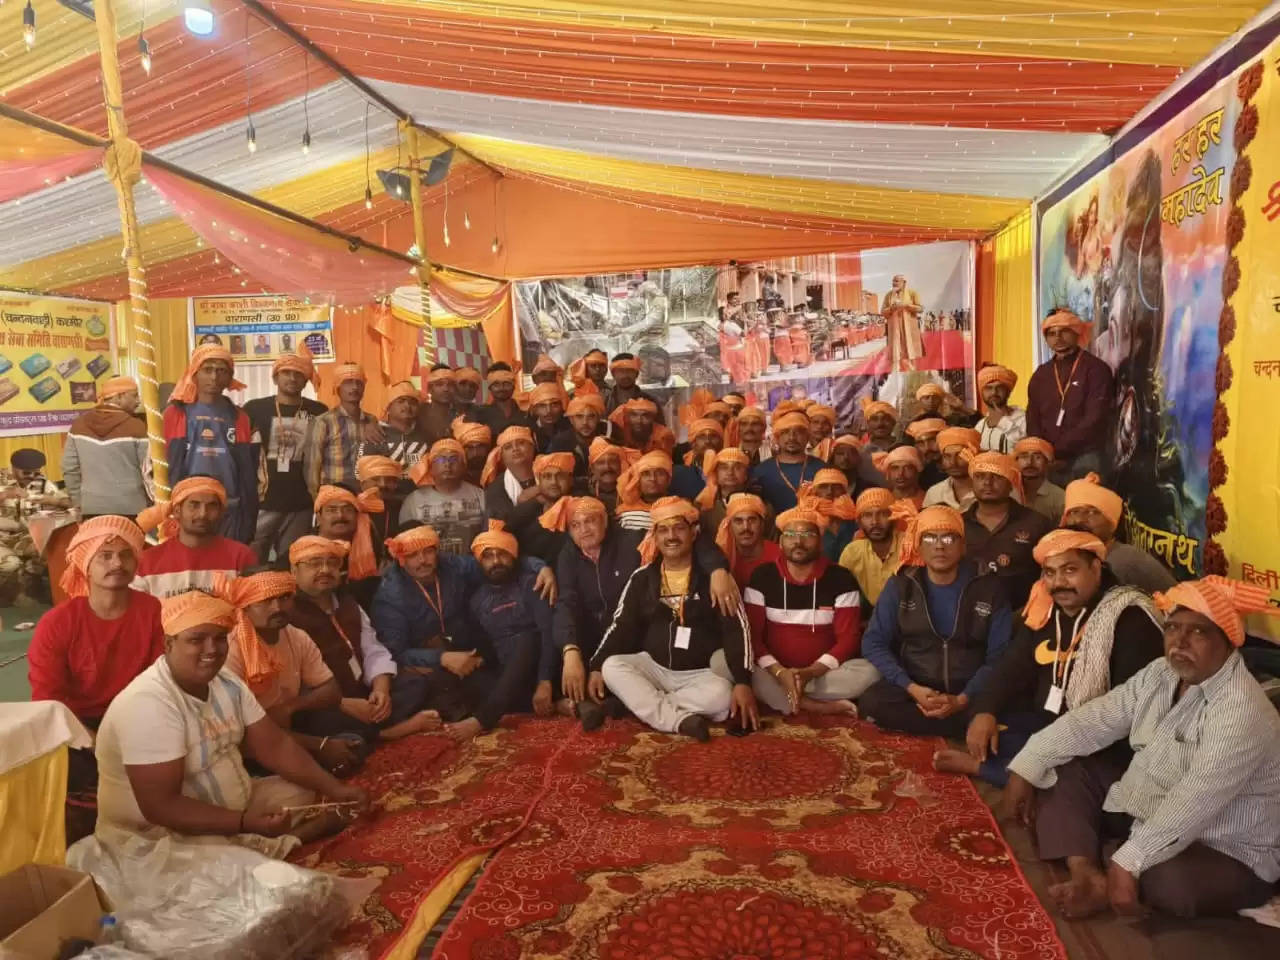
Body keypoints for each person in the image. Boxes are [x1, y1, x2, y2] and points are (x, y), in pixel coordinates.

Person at [1001, 576, 1280, 920]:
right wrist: (1027, 762)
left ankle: (1106, 861)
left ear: (1228, 641)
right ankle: (1087, 873)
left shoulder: (1242, 711)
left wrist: (1130, 860)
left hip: (1221, 846)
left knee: (1170, 883)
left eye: (1198, 632)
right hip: (1145, 806)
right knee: (1059, 770)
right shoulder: (1161, 674)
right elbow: (1095, 719)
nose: (1179, 642)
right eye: (1173, 628)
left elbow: (1195, 801)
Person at [93, 590, 367, 851]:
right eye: (197, 639)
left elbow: (275, 746)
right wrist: (244, 823)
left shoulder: (226, 681)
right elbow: (161, 807)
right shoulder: (148, 704)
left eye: (220, 638)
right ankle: (281, 840)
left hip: (234, 803)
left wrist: (335, 789)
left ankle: (260, 840)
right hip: (159, 832)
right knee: (228, 872)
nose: (212, 649)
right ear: (169, 643)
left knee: (300, 793)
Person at [934, 530, 1163, 786]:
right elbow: (1011, 667)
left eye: (1069, 570)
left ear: (1096, 568)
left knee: (1074, 772)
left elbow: (1124, 717)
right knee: (985, 721)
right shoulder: (1047, 609)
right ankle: (1015, 768)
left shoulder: (1128, 619)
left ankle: (990, 770)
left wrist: (1050, 743)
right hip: (1044, 722)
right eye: (1050, 573)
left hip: (1099, 740)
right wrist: (985, 711)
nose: (1058, 583)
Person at [545, 494, 737, 727]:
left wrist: (717, 569)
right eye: (575, 525)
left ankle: (637, 706)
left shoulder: (632, 541)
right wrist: (570, 650)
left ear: (606, 521)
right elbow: (566, 604)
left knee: (723, 695)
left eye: (590, 521)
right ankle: (667, 713)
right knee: (570, 643)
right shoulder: (569, 554)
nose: (584, 529)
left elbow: (685, 539)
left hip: (638, 638)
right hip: (603, 638)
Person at [587, 498, 757, 740]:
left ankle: (634, 707)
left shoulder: (716, 579)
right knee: (612, 666)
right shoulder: (642, 578)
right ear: (654, 538)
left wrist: (743, 681)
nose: (671, 536)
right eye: (663, 530)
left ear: (693, 533)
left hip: (700, 673)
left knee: (722, 694)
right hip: (654, 669)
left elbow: (737, 629)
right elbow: (621, 625)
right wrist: (596, 666)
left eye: (678, 528)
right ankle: (678, 720)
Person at [28, 515, 163, 810]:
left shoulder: (153, 611)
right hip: (78, 728)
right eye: (105, 556)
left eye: (125, 554)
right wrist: (97, 742)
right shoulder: (58, 623)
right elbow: (48, 700)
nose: (117, 563)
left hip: (139, 721)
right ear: (85, 563)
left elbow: (162, 680)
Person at [857, 505, 1013, 737]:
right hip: (916, 685)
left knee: (1011, 704)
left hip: (969, 687)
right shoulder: (901, 584)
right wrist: (911, 687)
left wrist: (962, 699)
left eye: (949, 537)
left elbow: (1000, 655)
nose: (939, 546)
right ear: (918, 546)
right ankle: (960, 726)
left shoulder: (989, 587)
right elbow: (873, 641)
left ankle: (953, 720)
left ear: (963, 546)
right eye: (929, 538)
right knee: (872, 701)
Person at [219, 569, 383, 777]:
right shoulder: (231, 650)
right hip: (252, 736)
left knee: (355, 730)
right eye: (265, 601)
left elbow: (332, 692)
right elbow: (246, 732)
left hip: (291, 720)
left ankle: (321, 758)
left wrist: (289, 707)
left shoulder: (296, 636)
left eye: (285, 598)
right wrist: (321, 746)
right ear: (245, 605)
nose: (277, 608)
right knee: (347, 747)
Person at [285, 536, 438, 740]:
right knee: (319, 722)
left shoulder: (348, 604)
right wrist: (344, 704)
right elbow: (297, 686)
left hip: (364, 693)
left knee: (416, 683)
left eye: (332, 563)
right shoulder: (288, 614)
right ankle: (391, 732)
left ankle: (374, 727)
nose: (324, 570)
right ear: (294, 572)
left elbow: (373, 650)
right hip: (329, 703)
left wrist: (380, 689)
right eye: (314, 564)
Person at [742, 502, 876, 715]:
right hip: (773, 671)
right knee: (726, 662)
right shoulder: (762, 576)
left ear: (820, 539)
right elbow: (753, 638)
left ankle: (788, 694)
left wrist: (809, 673)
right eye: (791, 534)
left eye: (807, 535)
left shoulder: (841, 578)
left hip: (820, 674)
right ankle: (811, 704)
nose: (798, 542)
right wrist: (779, 673)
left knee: (871, 672)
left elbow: (848, 639)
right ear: (781, 540)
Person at [442, 521, 561, 741]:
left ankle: (483, 719)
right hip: (508, 676)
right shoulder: (477, 600)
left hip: (541, 667)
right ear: (480, 561)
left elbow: (547, 634)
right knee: (468, 676)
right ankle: (554, 703)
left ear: (514, 557)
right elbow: (484, 646)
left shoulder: (532, 584)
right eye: (488, 556)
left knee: (527, 639)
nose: (496, 561)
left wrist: (545, 681)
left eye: (502, 554)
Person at [163, 344, 258, 542]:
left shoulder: (240, 416)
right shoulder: (176, 413)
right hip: (188, 510)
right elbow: (166, 465)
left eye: (221, 371)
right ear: (194, 373)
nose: (214, 377)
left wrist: (248, 514)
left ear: (229, 377)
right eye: (207, 370)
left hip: (229, 508)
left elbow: (248, 472)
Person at [244, 350, 327, 565]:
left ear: (306, 380)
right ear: (275, 377)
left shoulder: (318, 411)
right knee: (252, 560)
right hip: (262, 502)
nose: (292, 378)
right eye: (286, 373)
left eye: (298, 374)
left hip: (300, 503)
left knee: (292, 562)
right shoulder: (254, 409)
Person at [1026, 309, 1115, 484]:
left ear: (1076, 332)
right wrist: (1041, 451)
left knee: (1083, 508)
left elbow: (1095, 419)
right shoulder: (1040, 375)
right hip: (1048, 461)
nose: (1057, 338)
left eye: (1064, 331)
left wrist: (1056, 450)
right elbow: (1032, 418)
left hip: (1086, 457)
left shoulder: (1096, 369)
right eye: (1051, 333)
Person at [134, 476, 257, 597]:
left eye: (212, 506)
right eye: (194, 505)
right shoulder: (147, 563)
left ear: (221, 513)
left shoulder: (241, 557)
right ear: (177, 511)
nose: (203, 514)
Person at [964, 452, 1054, 607]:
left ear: (1011, 483)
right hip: (966, 614)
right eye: (980, 476)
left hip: (1020, 615)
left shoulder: (1037, 523)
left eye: (997, 477)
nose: (987, 483)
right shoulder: (957, 523)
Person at [1061, 473, 1176, 593]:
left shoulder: (1120, 562)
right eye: (1074, 512)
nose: (1079, 519)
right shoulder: (1073, 556)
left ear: (1112, 524)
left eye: (1092, 512)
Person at [63, 376, 150, 519]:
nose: (138, 401)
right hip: (132, 507)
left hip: (91, 507)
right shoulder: (136, 427)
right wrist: (151, 503)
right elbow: (148, 471)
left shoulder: (78, 426)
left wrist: (79, 502)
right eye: (134, 396)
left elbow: (69, 468)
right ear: (119, 397)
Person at [399, 438, 487, 555]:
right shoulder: (413, 501)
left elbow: (489, 537)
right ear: (430, 467)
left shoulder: (480, 495)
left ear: (463, 466)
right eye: (440, 459)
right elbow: (405, 544)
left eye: (454, 459)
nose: (447, 464)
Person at [304, 362, 376, 498]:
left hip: (366, 497)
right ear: (337, 388)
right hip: (333, 497)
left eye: (359, 383)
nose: (354, 387)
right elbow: (312, 467)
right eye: (348, 382)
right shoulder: (323, 422)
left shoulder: (371, 420)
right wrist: (317, 499)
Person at [313, 484, 385, 610]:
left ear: (357, 515)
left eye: (347, 509)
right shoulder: (304, 550)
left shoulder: (373, 547)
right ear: (319, 518)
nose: (340, 516)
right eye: (332, 510)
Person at [838, 488, 906, 609]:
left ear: (894, 517)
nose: (875, 522)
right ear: (859, 522)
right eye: (868, 515)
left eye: (883, 514)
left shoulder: (909, 545)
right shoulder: (852, 552)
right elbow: (841, 594)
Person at [751, 410, 826, 513]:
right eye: (785, 432)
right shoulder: (761, 471)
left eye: (798, 432)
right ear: (777, 437)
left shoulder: (822, 469)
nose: (792, 438)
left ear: (807, 437)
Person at [694, 446, 772, 538]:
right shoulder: (703, 506)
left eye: (737, 467)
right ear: (716, 473)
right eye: (724, 468)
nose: (730, 472)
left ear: (746, 474)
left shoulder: (762, 506)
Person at [797, 469, 858, 562]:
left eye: (836, 487)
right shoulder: (802, 518)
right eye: (823, 486)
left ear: (844, 491)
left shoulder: (856, 518)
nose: (829, 491)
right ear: (815, 491)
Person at [481, 425, 539, 523]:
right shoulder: (495, 489)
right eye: (508, 447)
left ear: (532, 446)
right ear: (502, 456)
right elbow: (503, 524)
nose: (515, 449)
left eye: (521, 443)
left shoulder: (550, 474)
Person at [372, 380, 430, 476]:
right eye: (401, 401)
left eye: (412, 402)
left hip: (422, 490)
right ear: (388, 407)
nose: (407, 406)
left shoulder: (426, 435)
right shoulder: (375, 434)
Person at [549, 392, 609, 479]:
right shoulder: (559, 443)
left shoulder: (608, 440)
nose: (585, 422)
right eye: (579, 416)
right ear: (571, 420)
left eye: (591, 416)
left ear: (598, 419)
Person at [614, 450, 674, 532]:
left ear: (669, 479)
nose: (653, 479)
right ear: (638, 480)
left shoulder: (680, 510)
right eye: (646, 474)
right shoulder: (626, 516)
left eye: (659, 473)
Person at [923, 426, 980, 511]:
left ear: (974, 456)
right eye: (947, 456)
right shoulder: (934, 493)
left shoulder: (989, 490)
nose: (953, 462)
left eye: (960, 456)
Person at [356, 454, 405, 550]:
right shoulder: (352, 509)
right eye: (375, 479)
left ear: (395, 485)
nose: (382, 485)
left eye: (389, 480)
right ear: (362, 484)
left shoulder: (402, 509)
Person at [468, 363, 530, 436]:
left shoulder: (527, 413)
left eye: (506, 384)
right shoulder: (479, 415)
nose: (501, 388)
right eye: (496, 384)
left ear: (513, 386)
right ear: (490, 388)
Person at [1014, 437, 1067, 523]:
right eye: (1024, 457)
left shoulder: (1060, 497)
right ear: (1016, 461)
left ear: (1047, 462)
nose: (1029, 462)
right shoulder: (1007, 492)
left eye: (1037, 457)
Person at [977, 364, 1027, 453]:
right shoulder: (980, 426)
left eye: (999, 387)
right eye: (988, 388)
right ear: (982, 393)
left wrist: (1003, 422)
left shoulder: (1024, 419)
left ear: (1008, 391)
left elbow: (1026, 449)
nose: (994, 392)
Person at [671, 418, 724, 499]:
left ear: (721, 443)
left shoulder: (730, 471)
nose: (707, 441)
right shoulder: (678, 473)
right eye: (702, 437)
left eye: (713, 436)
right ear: (693, 443)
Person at [883, 274, 924, 372]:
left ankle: (912, 374)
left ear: (903, 282)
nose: (894, 283)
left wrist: (906, 306)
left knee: (911, 353)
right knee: (896, 355)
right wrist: (892, 308)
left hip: (909, 329)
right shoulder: (888, 295)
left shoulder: (912, 293)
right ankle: (895, 377)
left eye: (897, 281)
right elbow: (883, 312)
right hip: (895, 330)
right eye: (893, 281)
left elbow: (920, 308)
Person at [604, 353, 663, 419]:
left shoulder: (651, 402)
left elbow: (661, 428)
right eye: (620, 371)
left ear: (637, 374)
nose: (625, 375)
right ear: (613, 374)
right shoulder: (604, 403)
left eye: (630, 370)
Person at [608, 397, 674, 454]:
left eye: (645, 416)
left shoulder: (663, 435)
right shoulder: (621, 430)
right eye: (634, 415)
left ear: (652, 418)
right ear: (628, 417)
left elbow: (662, 460)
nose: (639, 420)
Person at [418, 365, 458, 444]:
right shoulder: (419, 412)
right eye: (439, 384)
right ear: (429, 388)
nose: (445, 389)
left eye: (450, 385)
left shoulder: (460, 415)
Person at [588, 436, 629, 513]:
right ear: (592, 468)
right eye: (601, 463)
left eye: (613, 461)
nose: (607, 467)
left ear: (620, 464)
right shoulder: (583, 491)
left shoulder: (632, 491)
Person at [528, 382, 572, 453]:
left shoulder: (570, 426)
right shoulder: (528, 431)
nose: (549, 411)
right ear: (535, 409)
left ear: (561, 407)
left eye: (554, 404)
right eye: (542, 405)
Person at [904, 417, 947, 488]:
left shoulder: (962, 468)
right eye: (920, 443)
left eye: (932, 440)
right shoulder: (923, 475)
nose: (927, 448)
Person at [453, 419, 494, 489]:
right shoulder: (453, 477)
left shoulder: (499, 474)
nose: (475, 452)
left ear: (488, 448)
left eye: (480, 446)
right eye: (470, 448)